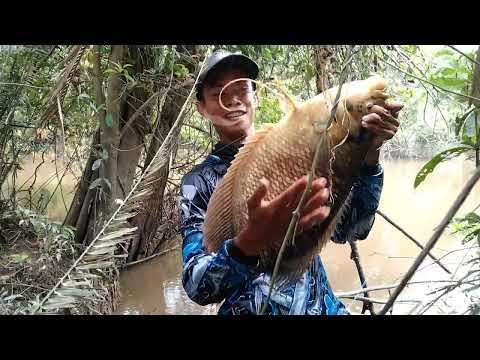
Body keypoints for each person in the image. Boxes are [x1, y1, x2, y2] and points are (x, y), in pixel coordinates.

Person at [179, 49, 402, 315]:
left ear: (256, 96)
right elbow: (198, 286)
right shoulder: (197, 183)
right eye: (219, 94)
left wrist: (369, 153)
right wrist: (249, 242)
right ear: (201, 108)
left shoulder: (294, 139)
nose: (233, 101)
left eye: (242, 89)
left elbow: (353, 230)